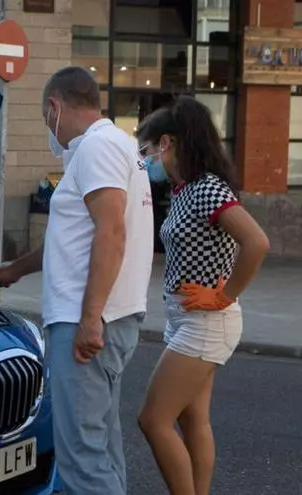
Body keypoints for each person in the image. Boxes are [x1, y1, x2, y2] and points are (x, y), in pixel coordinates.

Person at [0, 66, 153, 494]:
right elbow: (74, 238)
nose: (49, 129)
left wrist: (90, 317)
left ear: (55, 107)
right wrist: (16, 269)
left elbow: (111, 232)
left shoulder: (97, 147)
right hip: (105, 317)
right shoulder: (116, 146)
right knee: (100, 444)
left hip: (87, 322)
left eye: (46, 119)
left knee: (82, 456)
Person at [135, 96, 269, 495]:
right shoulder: (184, 190)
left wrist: (223, 296)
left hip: (206, 322)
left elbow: (256, 242)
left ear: (167, 143)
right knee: (194, 420)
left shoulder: (207, 189)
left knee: (153, 420)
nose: (145, 160)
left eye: (147, 149)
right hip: (187, 318)